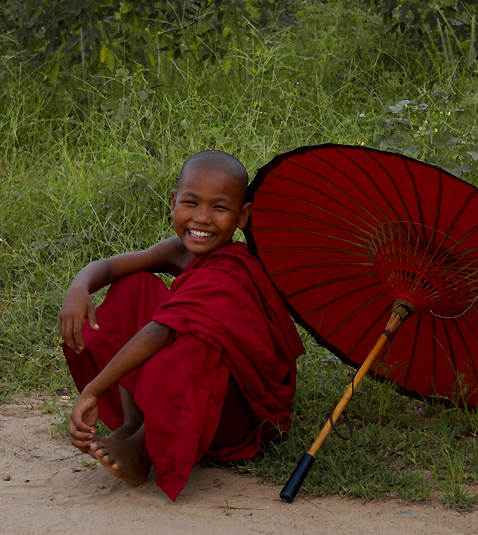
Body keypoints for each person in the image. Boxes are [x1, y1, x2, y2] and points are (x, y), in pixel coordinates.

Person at [59, 150, 304, 501]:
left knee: (196, 340)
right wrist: (79, 287)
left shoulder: (232, 271)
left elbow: (161, 331)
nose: (202, 219)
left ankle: (143, 450)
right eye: (191, 203)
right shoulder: (178, 251)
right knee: (135, 284)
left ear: (242, 215)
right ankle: (132, 424)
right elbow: (111, 267)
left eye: (219, 208)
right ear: (174, 202)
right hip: (184, 394)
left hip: (228, 414)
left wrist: (94, 390)